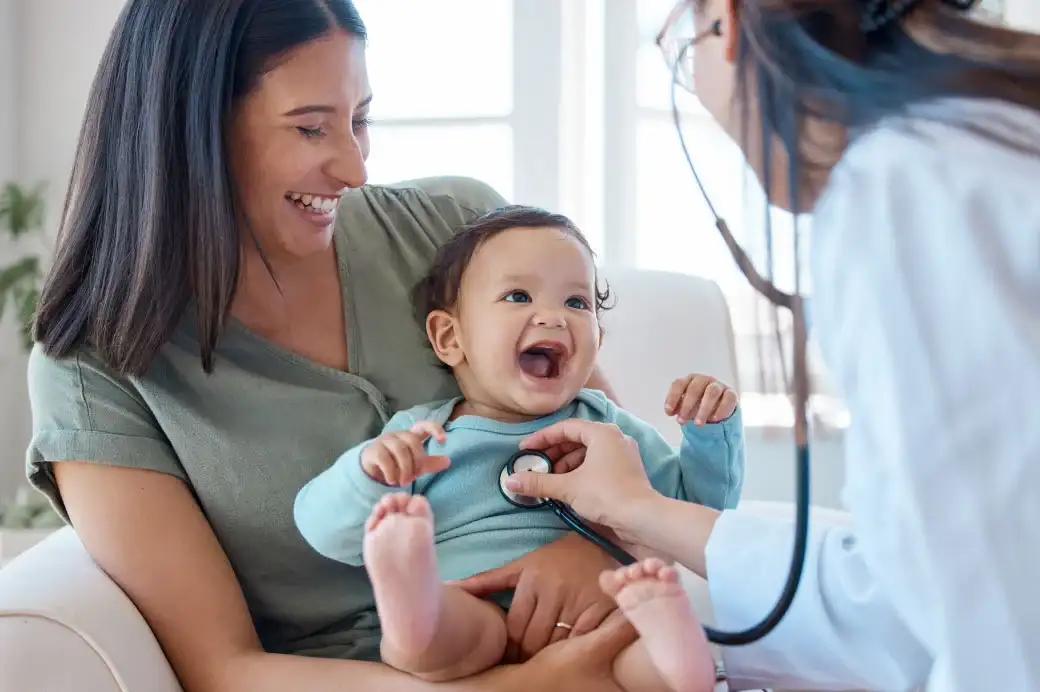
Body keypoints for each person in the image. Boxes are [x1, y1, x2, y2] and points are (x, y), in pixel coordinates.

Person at [25, 2, 644, 691]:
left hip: (607, 648)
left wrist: (595, 550)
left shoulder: (461, 229)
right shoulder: (93, 370)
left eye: (361, 120)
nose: (354, 168)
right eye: (312, 127)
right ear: (190, 132)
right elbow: (221, 669)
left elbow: (618, 456)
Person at [467, 0, 1040, 690]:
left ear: (728, 26)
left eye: (685, 47)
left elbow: (992, 628)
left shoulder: (903, 188)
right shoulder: (982, 146)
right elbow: (917, 589)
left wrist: (667, 485)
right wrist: (641, 512)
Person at [292, 205, 747, 692]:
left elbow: (689, 511)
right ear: (450, 337)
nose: (553, 316)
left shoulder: (607, 426)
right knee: (436, 641)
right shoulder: (423, 435)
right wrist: (367, 474)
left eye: (577, 303)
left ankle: (675, 647)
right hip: (472, 605)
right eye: (518, 295)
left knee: (639, 663)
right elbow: (322, 531)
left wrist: (709, 432)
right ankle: (409, 593)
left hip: (600, 615)